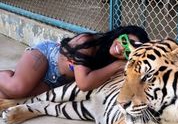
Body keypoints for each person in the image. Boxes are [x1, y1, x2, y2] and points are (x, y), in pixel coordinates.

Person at [0, 25, 149, 99]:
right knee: (16, 88)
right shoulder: (87, 41)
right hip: (46, 58)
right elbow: (84, 83)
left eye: (129, 51)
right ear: (119, 34)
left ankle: (12, 75)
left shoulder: (108, 60)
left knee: (7, 96)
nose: (122, 49)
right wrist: (118, 65)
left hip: (56, 82)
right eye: (125, 40)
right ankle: (11, 77)